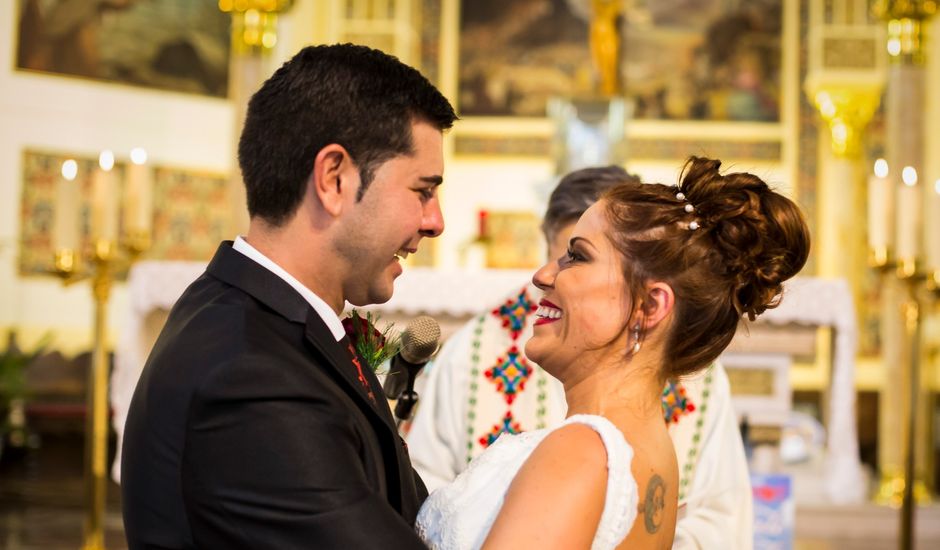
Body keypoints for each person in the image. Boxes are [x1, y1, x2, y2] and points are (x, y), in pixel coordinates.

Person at [121, 43, 457, 549]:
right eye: (422, 190)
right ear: (334, 179)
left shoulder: (259, 320)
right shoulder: (251, 377)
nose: (435, 222)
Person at [414, 157, 810, 549]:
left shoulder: (581, 453)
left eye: (578, 255)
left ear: (650, 306)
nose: (542, 275)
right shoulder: (651, 449)